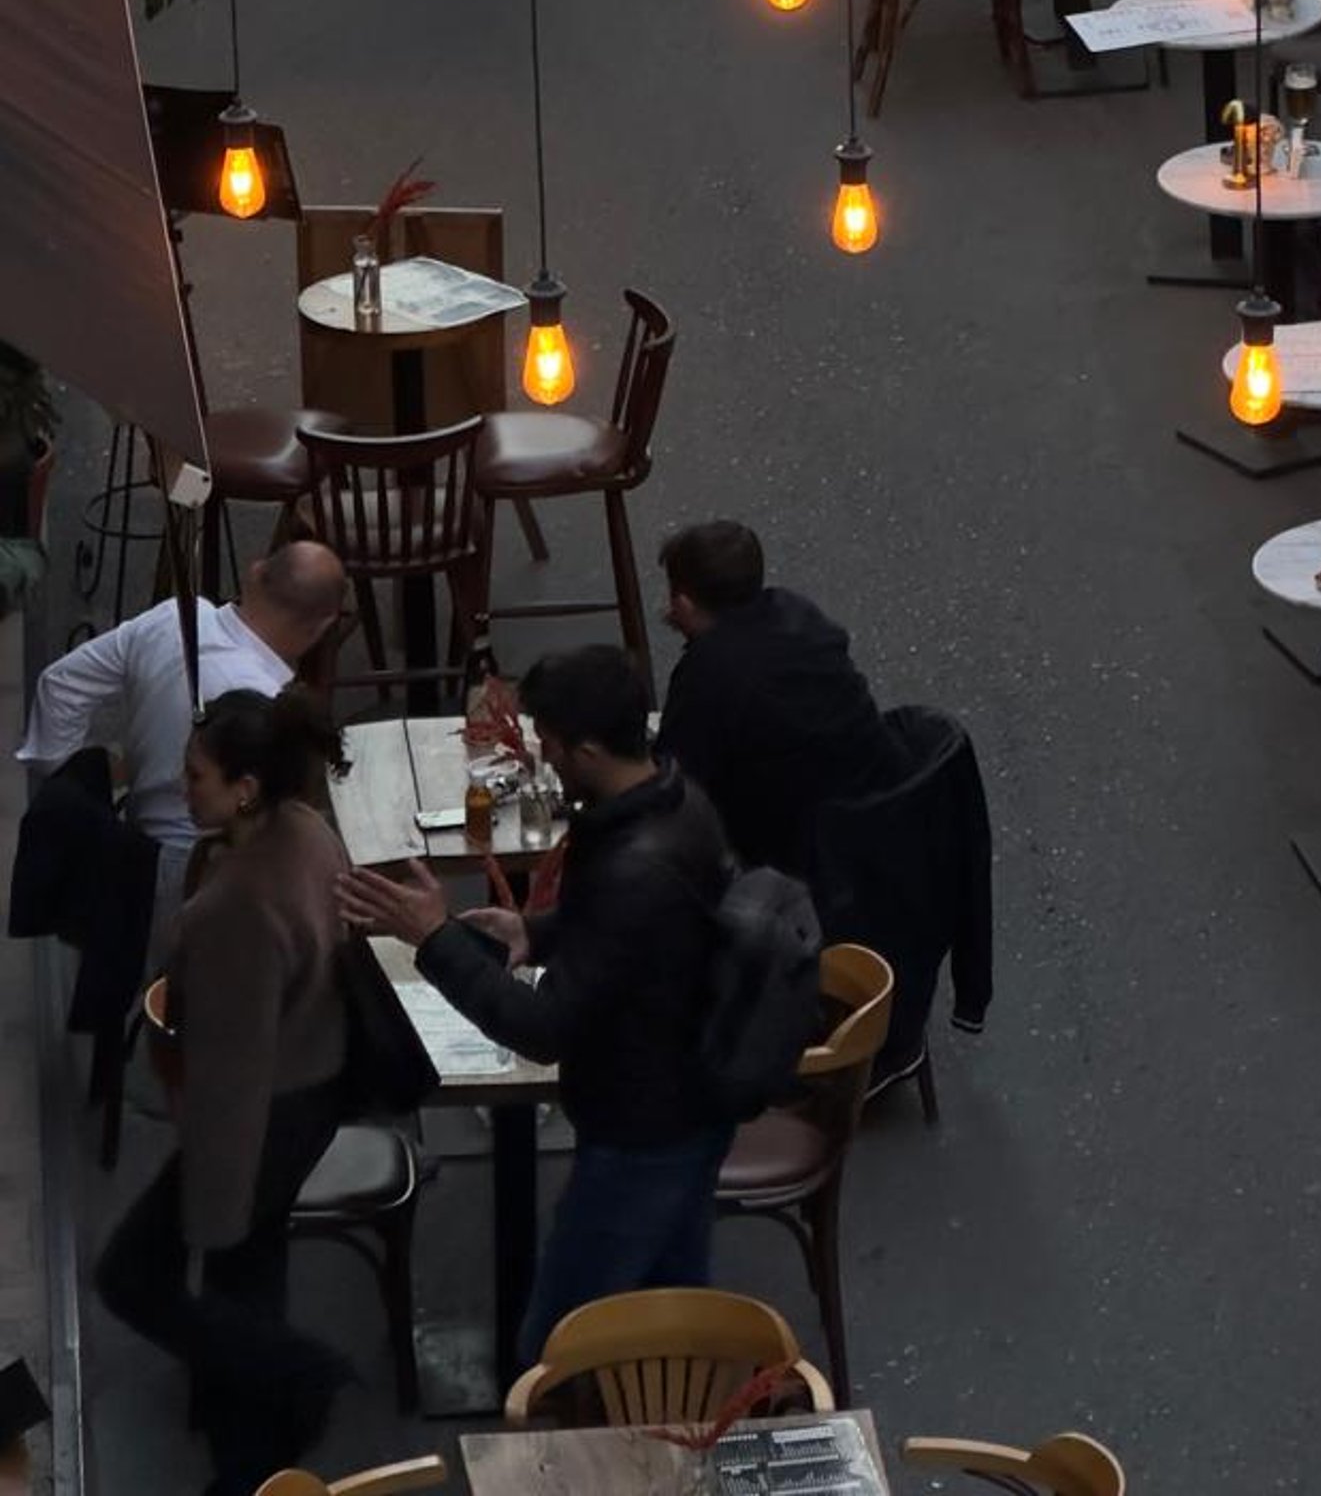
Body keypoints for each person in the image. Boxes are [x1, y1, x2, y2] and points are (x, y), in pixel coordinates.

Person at [339, 644, 733, 1351]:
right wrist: (536, 930)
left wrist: (435, 938)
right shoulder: (673, 802)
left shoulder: (631, 865)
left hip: (641, 1127)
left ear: (585, 747)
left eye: (546, 739)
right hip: (689, 1102)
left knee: (558, 1345)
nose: (539, 752)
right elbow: (635, 938)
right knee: (669, 1318)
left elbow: (543, 1028)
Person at [95, 686, 353, 1496]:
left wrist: (216, 1199)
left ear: (245, 787)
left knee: (134, 1275)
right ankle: (255, 1461)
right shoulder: (306, 829)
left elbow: (232, 1074)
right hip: (313, 1088)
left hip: (258, 1117)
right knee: (249, 1277)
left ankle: (296, 1384)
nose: (181, 786)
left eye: (196, 774)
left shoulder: (232, 910)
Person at [19, 542, 347, 918]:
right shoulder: (267, 709)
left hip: (128, 840)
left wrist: (66, 783)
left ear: (254, 573)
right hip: (199, 871)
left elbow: (59, 684)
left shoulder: (173, 617)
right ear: (323, 626)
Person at [656, 522, 900, 881]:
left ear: (684, 603)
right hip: (877, 813)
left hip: (793, 858)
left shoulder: (708, 671)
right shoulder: (796, 611)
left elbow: (674, 785)